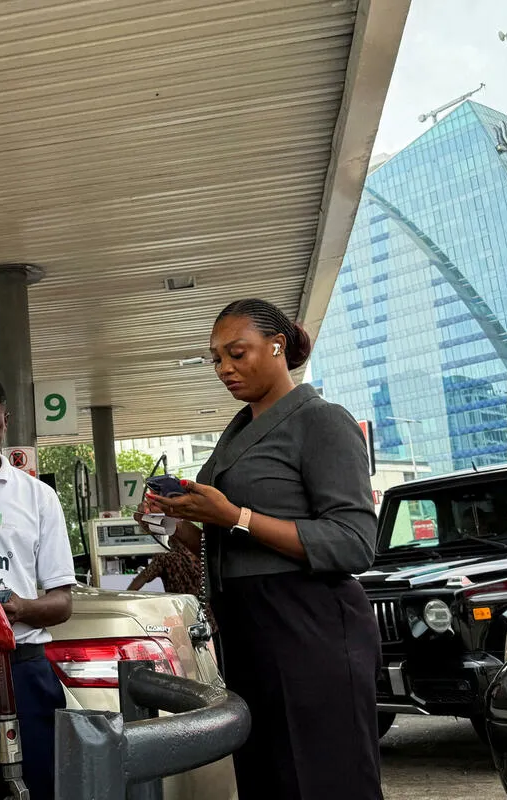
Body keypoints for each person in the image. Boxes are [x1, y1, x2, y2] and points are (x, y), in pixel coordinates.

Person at [138, 298, 382, 800]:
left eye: (237, 353)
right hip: (246, 627)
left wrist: (237, 517)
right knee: (267, 778)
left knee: (323, 778)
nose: (224, 369)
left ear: (277, 346)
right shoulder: (236, 434)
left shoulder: (322, 421)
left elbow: (355, 542)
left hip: (308, 624)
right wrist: (174, 520)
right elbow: (223, 542)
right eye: (216, 359)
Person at [0, 373, 75, 800]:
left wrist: (19, 608)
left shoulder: (37, 498)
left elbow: (62, 602)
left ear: (5, 422)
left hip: (20, 669)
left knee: (32, 787)